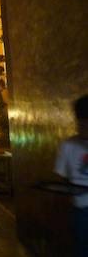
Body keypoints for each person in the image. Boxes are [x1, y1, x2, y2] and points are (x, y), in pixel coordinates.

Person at [54, 94, 88, 256]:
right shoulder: (69, 146)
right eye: (81, 124)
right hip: (81, 208)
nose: (83, 128)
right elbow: (63, 178)